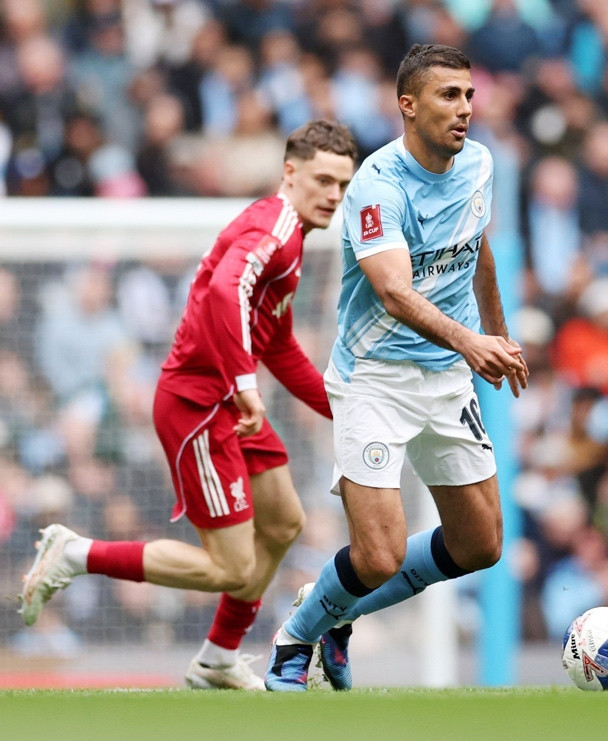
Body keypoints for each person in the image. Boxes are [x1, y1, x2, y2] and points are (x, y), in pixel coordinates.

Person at [19, 119, 359, 690]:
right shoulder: (272, 227)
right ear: (290, 173)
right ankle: (75, 554)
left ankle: (217, 659)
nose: (334, 195)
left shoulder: (292, 239)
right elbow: (228, 291)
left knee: (283, 523)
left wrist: (344, 408)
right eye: (323, 180)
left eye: (343, 185)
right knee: (231, 566)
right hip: (198, 406)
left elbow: (279, 346)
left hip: (229, 401)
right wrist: (246, 384)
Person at [263, 44, 528, 692]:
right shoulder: (376, 186)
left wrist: (497, 331)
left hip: (446, 374)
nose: (464, 108)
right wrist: (472, 341)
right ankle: (297, 632)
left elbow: (477, 244)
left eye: (468, 95)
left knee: (479, 545)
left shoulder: (480, 164)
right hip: (375, 377)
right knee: (377, 555)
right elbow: (393, 290)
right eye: (448, 96)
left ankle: (336, 615)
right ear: (407, 106)